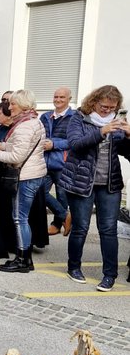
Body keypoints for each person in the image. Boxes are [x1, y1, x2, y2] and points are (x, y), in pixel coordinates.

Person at [59, 85, 130, 291]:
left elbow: (127, 154)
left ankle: (110, 275)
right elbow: (74, 144)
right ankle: (74, 267)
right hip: (81, 181)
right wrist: (101, 132)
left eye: (112, 107)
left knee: (108, 230)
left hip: (110, 183)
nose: (108, 110)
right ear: (94, 101)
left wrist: (128, 136)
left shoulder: (118, 121)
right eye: (104, 106)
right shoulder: (79, 118)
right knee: (80, 228)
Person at [0, 90, 46, 273]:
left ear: (22, 105)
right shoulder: (33, 121)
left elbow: (17, 155)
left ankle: (22, 260)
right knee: (22, 218)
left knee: (19, 218)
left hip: (25, 176)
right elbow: (23, 146)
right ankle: (25, 258)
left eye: (13, 104)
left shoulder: (24, 126)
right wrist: (3, 145)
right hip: (33, 173)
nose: (10, 107)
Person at [40, 87, 75, 237]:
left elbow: (74, 141)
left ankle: (56, 224)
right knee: (40, 192)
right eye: (56, 97)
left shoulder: (75, 117)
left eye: (62, 97)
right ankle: (64, 216)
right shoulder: (45, 116)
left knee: (62, 196)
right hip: (44, 162)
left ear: (69, 99)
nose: (58, 100)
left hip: (63, 163)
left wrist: (54, 144)